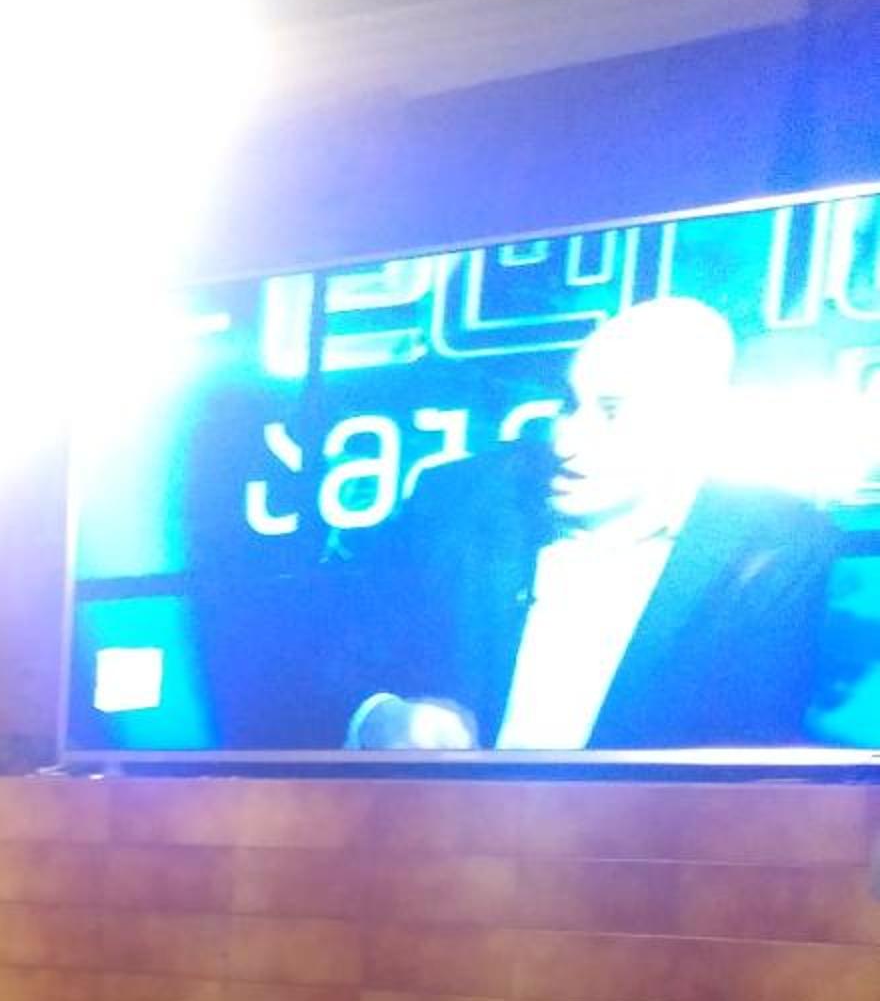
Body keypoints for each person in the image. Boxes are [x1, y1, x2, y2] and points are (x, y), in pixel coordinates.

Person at [342, 297, 836, 751]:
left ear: (696, 424)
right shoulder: (459, 499)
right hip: (425, 817)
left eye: (611, 411)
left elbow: (753, 759)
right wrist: (377, 719)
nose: (566, 441)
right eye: (569, 404)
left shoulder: (778, 546)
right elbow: (326, 658)